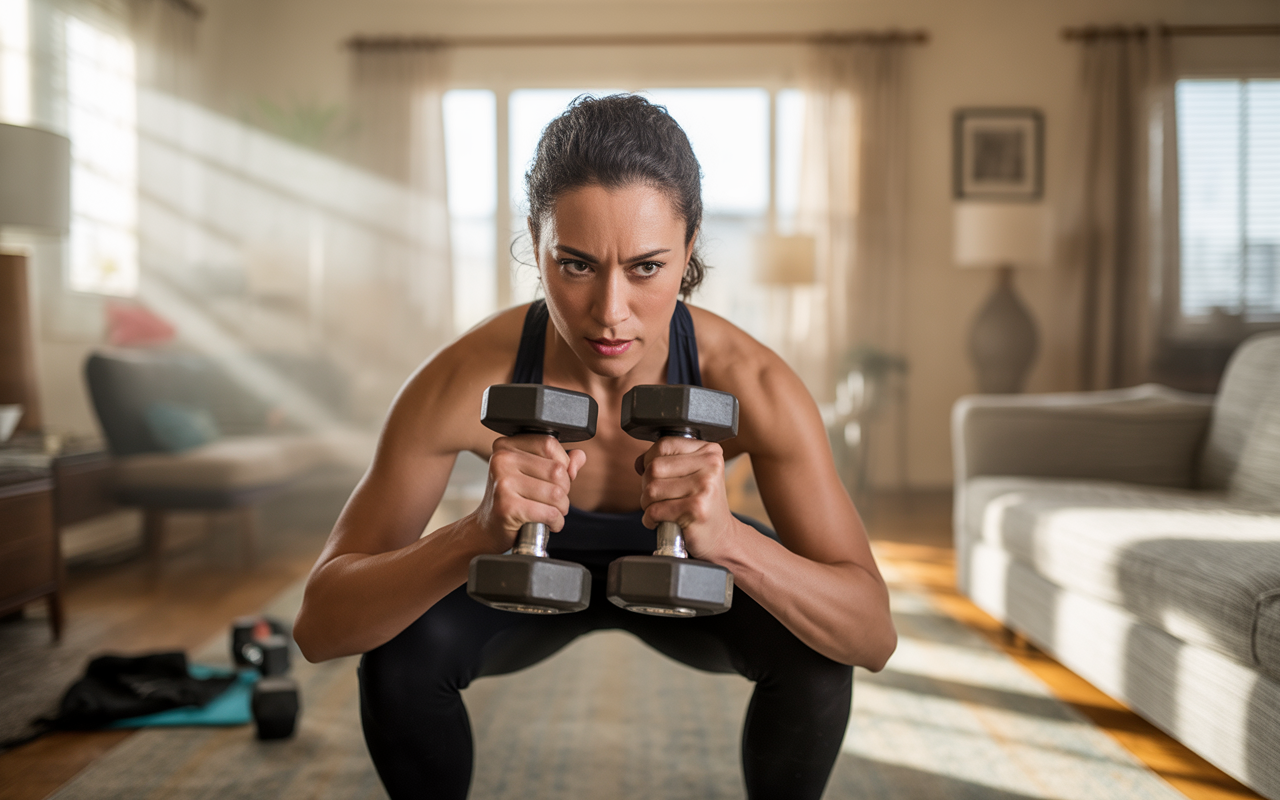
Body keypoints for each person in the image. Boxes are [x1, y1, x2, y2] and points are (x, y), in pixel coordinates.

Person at [293, 93, 897, 800]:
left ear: (690, 248)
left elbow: (871, 635)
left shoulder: (756, 386)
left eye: (646, 267)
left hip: (695, 569)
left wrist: (730, 541)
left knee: (816, 647)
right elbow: (320, 627)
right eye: (576, 265)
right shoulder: (461, 381)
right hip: (518, 575)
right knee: (401, 653)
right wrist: (475, 534)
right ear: (536, 241)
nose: (610, 313)